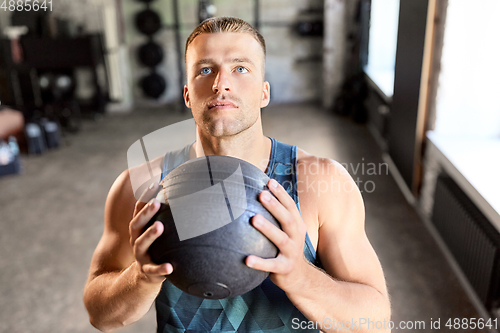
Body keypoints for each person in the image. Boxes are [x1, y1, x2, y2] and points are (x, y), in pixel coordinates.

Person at [83, 17, 391, 332]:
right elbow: (101, 315)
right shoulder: (143, 187)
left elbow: (376, 324)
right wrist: (140, 277)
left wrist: (300, 277)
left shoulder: (321, 183)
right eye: (205, 70)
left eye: (240, 68)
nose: (221, 83)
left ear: (264, 93)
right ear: (188, 95)